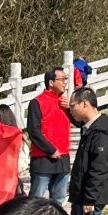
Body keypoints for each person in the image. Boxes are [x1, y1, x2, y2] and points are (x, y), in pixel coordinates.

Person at [67, 87, 108, 215]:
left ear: (84, 104)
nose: (70, 111)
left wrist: (90, 198)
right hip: (82, 195)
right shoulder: (89, 128)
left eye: (72, 106)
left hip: (90, 200)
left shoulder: (101, 133)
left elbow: (100, 169)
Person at [27, 69, 72, 205]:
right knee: (36, 201)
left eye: (66, 79)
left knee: (58, 200)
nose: (65, 82)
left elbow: (79, 122)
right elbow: (33, 130)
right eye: (62, 79)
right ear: (51, 82)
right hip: (43, 158)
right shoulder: (37, 102)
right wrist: (50, 150)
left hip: (63, 157)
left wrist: (70, 108)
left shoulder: (64, 103)